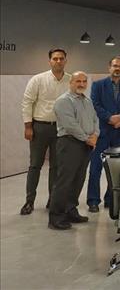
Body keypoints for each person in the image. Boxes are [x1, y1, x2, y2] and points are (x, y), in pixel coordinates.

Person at [20, 48, 71, 216]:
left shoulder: (70, 80)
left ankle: (53, 200)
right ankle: (29, 201)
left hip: (61, 129)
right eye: (55, 58)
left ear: (65, 61)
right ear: (50, 61)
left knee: (56, 166)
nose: (58, 61)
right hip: (39, 128)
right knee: (35, 165)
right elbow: (27, 102)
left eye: (61, 58)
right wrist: (28, 126)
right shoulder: (38, 79)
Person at [48, 72, 98, 230]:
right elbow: (70, 125)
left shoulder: (87, 101)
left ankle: (70, 210)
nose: (81, 84)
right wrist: (87, 138)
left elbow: (95, 119)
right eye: (78, 81)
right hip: (69, 143)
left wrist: (95, 135)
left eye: (84, 81)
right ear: (70, 82)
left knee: (78, 180)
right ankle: (56, 217)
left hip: (86, 144)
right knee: (65, 181)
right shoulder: (63, 101)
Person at [88, 56, 120, 212]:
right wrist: (109, 118)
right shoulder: (98, 85)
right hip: (102, 132)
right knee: (96, 168)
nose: (117, 68)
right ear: (109, 67)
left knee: (116, 168)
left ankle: (111, 199)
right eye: (115, 65)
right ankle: (93, 201)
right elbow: (95, 105)